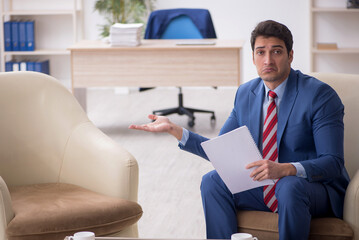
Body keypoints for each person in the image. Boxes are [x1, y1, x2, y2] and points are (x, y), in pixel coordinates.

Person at [129, 20, 349, 240]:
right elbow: (221, 151)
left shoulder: (320, 96)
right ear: (253, 58)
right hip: (267, 187)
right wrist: (177, 131)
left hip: (312, 189)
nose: (268, 60)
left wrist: (286, 169)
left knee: (289, 187)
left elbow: (333, 163)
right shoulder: (246, 94)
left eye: (277, 52)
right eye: (261, 52)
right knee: (212, 181)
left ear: (290, 56)